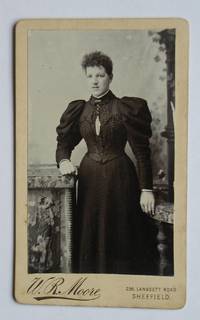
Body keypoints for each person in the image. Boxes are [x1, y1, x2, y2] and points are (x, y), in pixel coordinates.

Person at [56, 51, 158, 275]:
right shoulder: (80, 109)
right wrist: (63, 160)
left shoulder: (125, 108)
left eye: (100, 75)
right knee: (92, 235)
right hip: (90, 181)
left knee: (121, 235)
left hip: (121, 179)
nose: (94, 80)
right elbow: (64, 143)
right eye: (90, 75)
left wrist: (146, 189)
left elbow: (141, 152)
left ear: (110, 77)